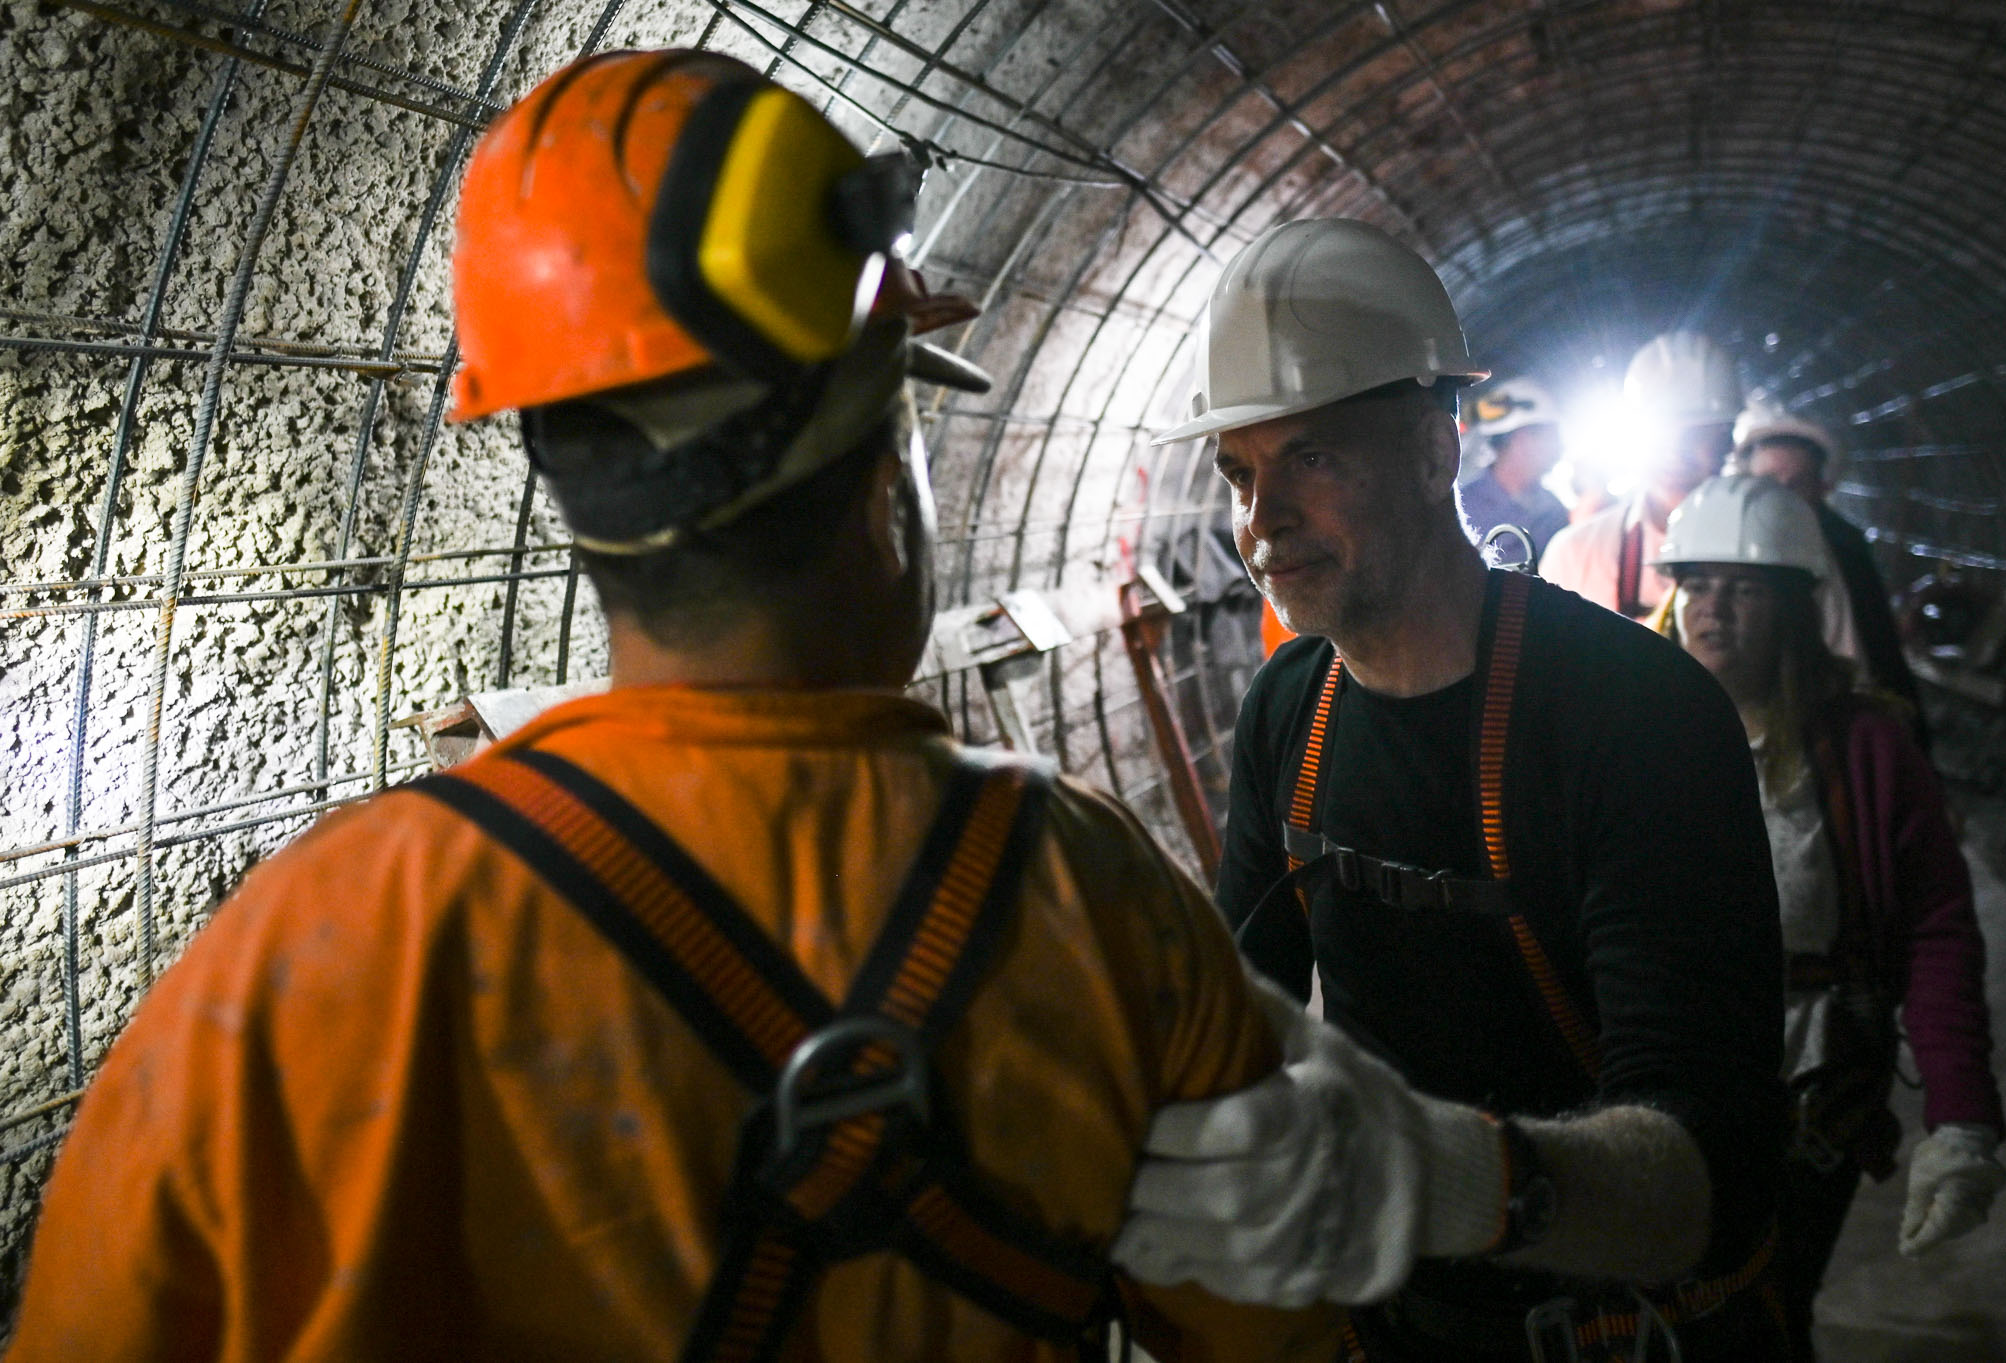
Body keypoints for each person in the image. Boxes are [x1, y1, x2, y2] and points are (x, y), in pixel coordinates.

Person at [8, 53, 1346, 1363]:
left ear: (562, 472)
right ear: (889, 471)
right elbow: (1277, 1325)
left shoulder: (297, 966)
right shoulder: (1099, 910)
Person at [1114, 218, 1789, 1361]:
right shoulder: (1288, 711)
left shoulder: (1635, 713)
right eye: (1240, 473)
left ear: (1435, 454)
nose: (1258, 519)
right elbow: (1235, 1028)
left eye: (1310, 459)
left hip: (1627, 1332)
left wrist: (1440, 1177)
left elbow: (1700, 1182)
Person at [1653, 475, 2006, 1361]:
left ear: (1797, 607)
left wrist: (1960, 1118)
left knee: (1770, 1299)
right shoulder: (1633, 738)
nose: (1714, 608)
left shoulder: (1864, 747)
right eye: (1697, 584)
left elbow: (1936, 930)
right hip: (1672, 1076)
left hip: (1818, 1086)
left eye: (1744, 588)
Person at [1731, 401, 1929, 746]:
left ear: (1822, 490)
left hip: (1841, 728)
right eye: (1768, 482)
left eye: (1798, 483)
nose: (1782, 496)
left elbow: (1878, 647)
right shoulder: (1723, 556)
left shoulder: (1845, 551)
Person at [1540, 331, 1741, 619]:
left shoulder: (1778, 544)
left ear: (1728, 440)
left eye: (1694, 435)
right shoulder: (1577, 554)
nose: (1674, 453)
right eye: (1662, 434)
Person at [1458, 377, 1570, 564]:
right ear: (1522, 438)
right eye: (1552, 436)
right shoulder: (1462, 509)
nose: (1560, 447)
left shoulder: (1554, 510)